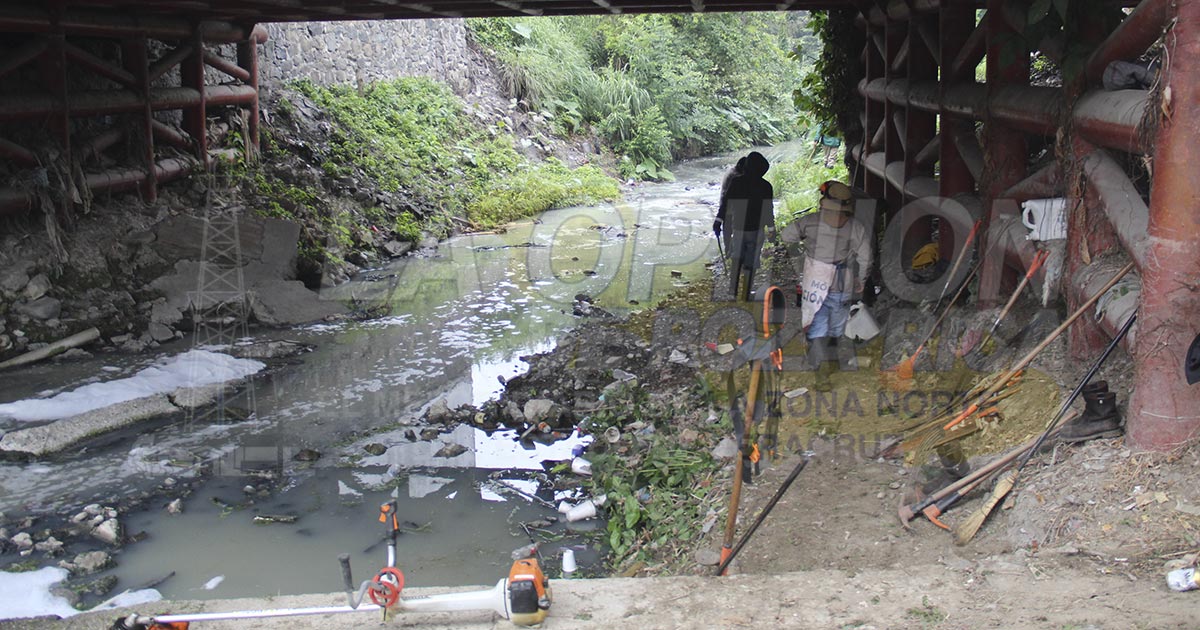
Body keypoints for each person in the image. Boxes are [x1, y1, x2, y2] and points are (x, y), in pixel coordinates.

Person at [782, 180, 872, 390]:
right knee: (836, 325)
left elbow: (787, 235)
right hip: (843, 282)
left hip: (815, 281)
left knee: (817, 324)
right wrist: (862, 279)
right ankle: (831, 363)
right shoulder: (855, 227)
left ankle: (821, 374)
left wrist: (802, 248)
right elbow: (866, 258)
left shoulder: (811, 222)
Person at [713, 151, 775, 301]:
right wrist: (772, 229)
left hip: (739, 228)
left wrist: (718, 221)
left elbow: (725, 204)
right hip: (757, 229)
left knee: (737, 259)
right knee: (751, 262)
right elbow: (768, 210)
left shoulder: (737, 182)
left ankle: (732, 293)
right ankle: (746, 294)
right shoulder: (766, 186)